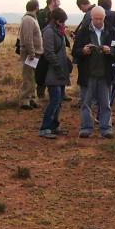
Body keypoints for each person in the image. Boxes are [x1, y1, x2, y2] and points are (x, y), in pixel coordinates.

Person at [71, 6, 115, 138]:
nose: (98, 21)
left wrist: (111, 51)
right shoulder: (83, 32)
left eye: (101, 18)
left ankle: (106, 128)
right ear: (91, 17)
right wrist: (83, 51)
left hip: (105, 74)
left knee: (105, 103)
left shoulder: (111, 31)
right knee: (86, 103)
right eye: (96, 18)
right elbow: (74, 51)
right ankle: (86, 128)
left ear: (104, 18)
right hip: (88, 74)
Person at [39, 8, 72, 139]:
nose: (63, 23)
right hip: (52, 71)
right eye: (62, 21)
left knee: (58, 101)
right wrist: (58, 67)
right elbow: (49, 53)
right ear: (56, 20)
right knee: (55, 99)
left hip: (60, 71)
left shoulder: (58, 31)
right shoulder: (48, 32)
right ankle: (45, 127)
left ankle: (54, 125)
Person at [19, 0, 44, 109]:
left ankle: (30, 98)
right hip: (30, 54)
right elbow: (28, 38)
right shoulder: (28, 20)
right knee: (28, 77)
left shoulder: (31, 19)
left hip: (33, 53)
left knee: (32, 76)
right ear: (36, 7)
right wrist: (31, 52)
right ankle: (24, 101)